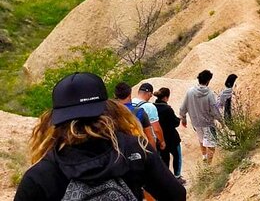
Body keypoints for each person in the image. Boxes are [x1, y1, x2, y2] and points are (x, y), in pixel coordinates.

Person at [14, 72, 186, 201]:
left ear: (54, 119)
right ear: (110, 108)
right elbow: (176, 195)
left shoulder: (41, 175)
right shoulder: (135, 150)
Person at [180, 70, 223, 164]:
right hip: (208, 123)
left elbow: (183, 107)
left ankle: (204, 156)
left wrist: (183, 119)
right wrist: (221, 120)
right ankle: (208, 165)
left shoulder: (190, 92)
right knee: (211, 144)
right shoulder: (210, 94)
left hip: (196, 123)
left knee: (201, 138)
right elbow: (214, 110)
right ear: (208, 81)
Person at [153, 88, 185, 185]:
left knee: (164, 160)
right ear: (166, 97)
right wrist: (179, 119)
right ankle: (177, 177)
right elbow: (175, 123)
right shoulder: (167, 109)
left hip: (160, 139)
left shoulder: (152, 107)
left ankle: (167, 180)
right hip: (172, 138)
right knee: (177, 156)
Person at [115, 82, 157, 150]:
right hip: (137, 150)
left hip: (119, 152)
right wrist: (154, 156)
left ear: (115, 95)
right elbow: (150, 137)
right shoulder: (139, 112)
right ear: (130, 94)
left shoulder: (111, 112)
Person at [132, 82, 166, 153]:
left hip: (135, 140)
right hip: (148, 142)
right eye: (151, 95)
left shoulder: (131, 103)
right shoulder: (150, 107)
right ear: (149, 94)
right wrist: (162, 141)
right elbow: (156, 129)